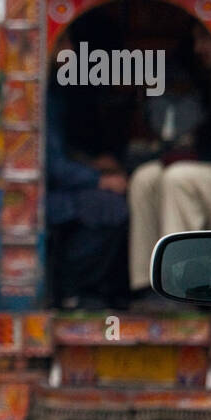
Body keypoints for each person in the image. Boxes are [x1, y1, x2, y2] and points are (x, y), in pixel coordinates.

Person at [126, 59, 211, 309]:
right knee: (144, 178)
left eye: (203, 40)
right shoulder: (201, 83)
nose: (199, 50)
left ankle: (180, 287)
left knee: (176, 178)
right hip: (196, 165)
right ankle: (148, 285)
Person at [45, 39, 131, 310]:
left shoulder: (54, 92)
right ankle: (74, 288)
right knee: (111, 208)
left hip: (60, 184)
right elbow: (52, 166)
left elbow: (60, 151)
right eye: (64, 43)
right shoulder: (42, 95)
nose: (70, 50)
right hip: (47, 195)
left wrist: (92, 163)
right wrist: (99, 180)